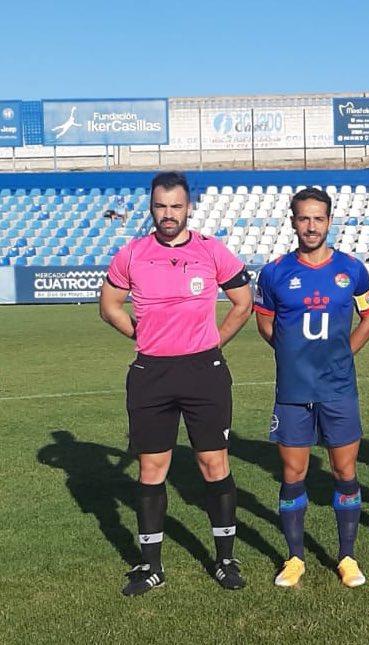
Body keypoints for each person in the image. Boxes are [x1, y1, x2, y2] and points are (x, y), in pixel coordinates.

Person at [99, 171, 253, 596]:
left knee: (214, 464)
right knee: (152, 468)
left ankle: (225, 559)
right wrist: (141, 334)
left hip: (204, 371)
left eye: (176, 206)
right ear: (152, 208)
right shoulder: (132, 253)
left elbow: (243, 302)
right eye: (161, 206)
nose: (168, 214)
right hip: (151, 373)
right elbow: (109, 305)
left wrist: (213, 342)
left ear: (189, 208)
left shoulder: (211, 249)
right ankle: (151, 566)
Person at [254, 187, 369, 589]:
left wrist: (343, 354)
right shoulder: (274, 272)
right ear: (293, 221)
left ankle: (347, 556)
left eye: (318, 219)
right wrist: (291, 355)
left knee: (345, 471)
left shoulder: (352, 269)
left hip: (338, 389)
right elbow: (264, 321)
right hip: (293, 391)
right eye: (304, 218)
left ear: (329, 221)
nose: (311, 226)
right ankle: (294, 558)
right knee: (293, 473)